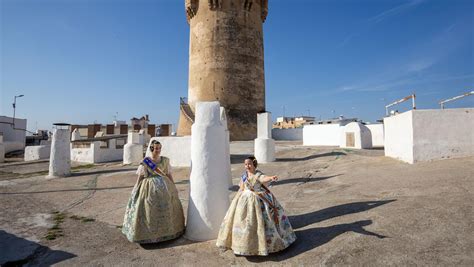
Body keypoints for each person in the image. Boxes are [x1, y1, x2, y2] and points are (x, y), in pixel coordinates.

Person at [216, 156, 296, 256]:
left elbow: (263, 178)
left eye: (249, 164)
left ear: (254, 164)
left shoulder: (257, 174)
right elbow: (242, 187)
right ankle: (241, 245)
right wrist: (238, 196)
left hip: (257, 198)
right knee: (241, 220)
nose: (247, 166)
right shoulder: (244, 175)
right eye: (245, 164)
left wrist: (271, 177)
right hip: (244, 198)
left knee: (262, 221)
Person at [122, 140, 185, 244]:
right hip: (148, 187)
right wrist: (136, 188)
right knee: (148, 207)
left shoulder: (165, 160)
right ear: (151, 149)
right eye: (156, 148)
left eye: (159, 148)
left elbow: (168, 174)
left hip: (165, 187)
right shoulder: (146, 161)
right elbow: (141, 176)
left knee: (167, 206)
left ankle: (168, 232)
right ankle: (149, 235)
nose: (158, 150)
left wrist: (173, 186)